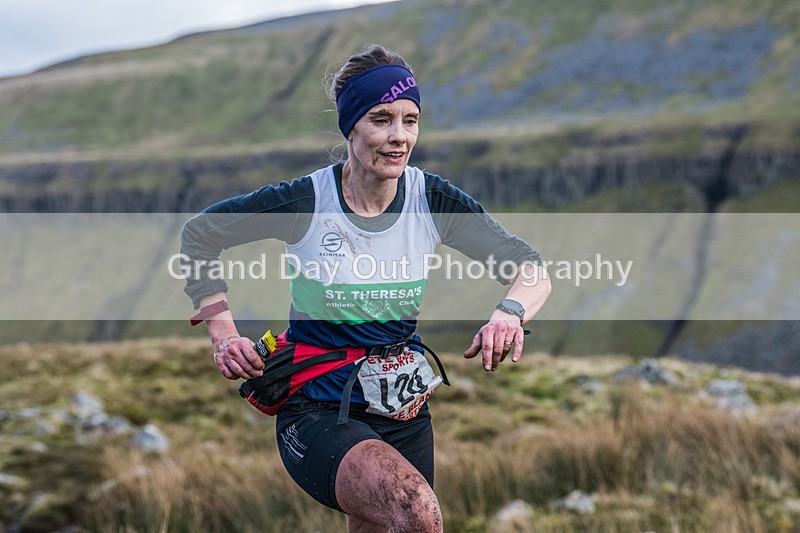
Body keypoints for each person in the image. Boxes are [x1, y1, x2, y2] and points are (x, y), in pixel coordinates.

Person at [180, 44, 551, 533]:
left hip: (403, 408)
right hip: (316, 406)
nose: (399, 137)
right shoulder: (305, 200)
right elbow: (199, 234)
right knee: (416, 511)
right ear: (350, 126)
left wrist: (509, 312)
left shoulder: (431, 198)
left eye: (410, 120)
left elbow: (532, 269)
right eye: (381, 120)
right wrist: (224, 334)